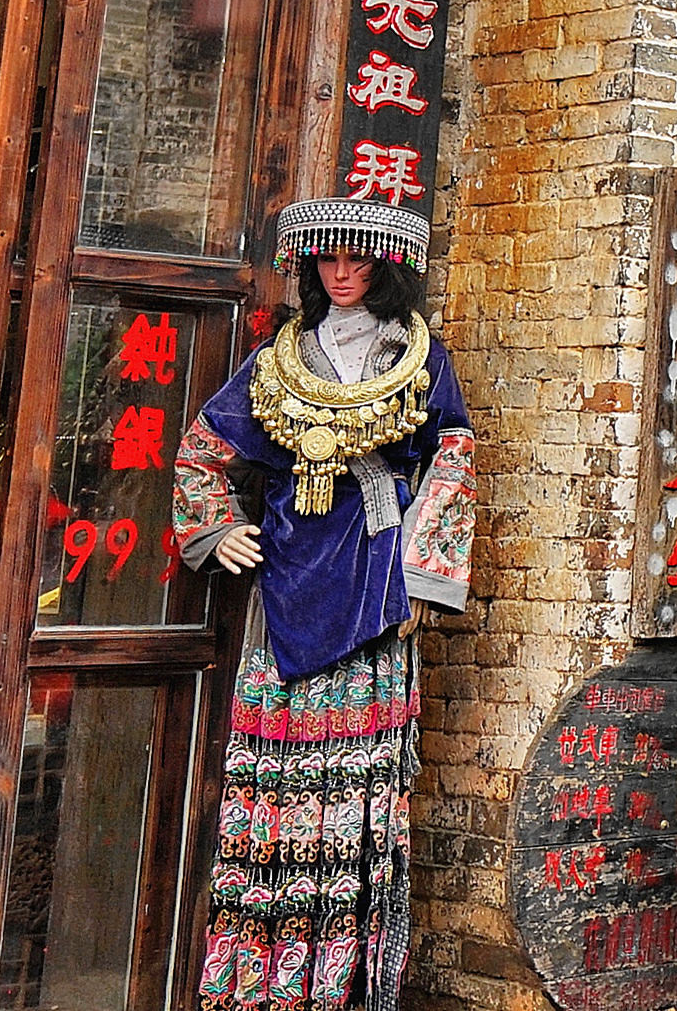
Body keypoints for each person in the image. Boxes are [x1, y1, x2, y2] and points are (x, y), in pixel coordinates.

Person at [172, 195, 474, 1011]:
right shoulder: (279, 358)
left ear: (384, 268)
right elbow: (200, 450)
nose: (341, 273)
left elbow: (453, 455)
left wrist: (422, 571)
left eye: (357, 259)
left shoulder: (420, 356)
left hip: (375, 566)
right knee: (273, 766)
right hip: (288, 565)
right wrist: (216, 527)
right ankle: (261, 976)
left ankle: (343, 977)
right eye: (327, 260)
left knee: (360, 775)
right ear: (310, 267)